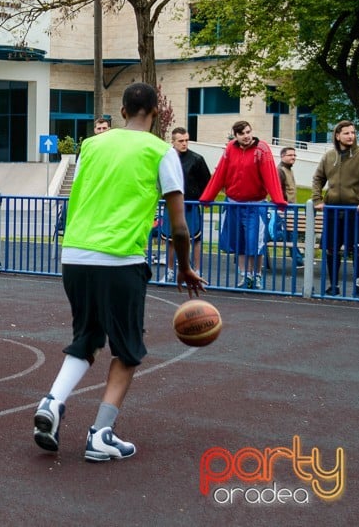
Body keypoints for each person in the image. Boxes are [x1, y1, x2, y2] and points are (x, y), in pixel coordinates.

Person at [32, 82, 205, 462]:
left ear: (122, 112)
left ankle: (53, 402)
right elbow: (178, 226)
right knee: (127, 351)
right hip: (120, 257)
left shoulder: (92, 145)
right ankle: (100, 434)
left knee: (87, 337)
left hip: (75, 254)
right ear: (157, 114)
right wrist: (186, 267)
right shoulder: (161, 151)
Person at [199, 120, 286, 290]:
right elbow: (220, 173)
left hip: (255, 204)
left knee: (256, 243)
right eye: (242, 134)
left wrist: (278, 199)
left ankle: (257, 275)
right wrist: (208, 197)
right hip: (234, 204)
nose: (246, 136)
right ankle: (245, 275)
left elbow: (270, 174)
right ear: (236, 136)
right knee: (238, 242)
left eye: (248, 132)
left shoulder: (262, 149)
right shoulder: (230, 148)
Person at [311, 120, 359, 297]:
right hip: (333, 210)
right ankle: (333, 285)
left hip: (355, 211)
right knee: (331, 248)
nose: (351, 136)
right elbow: (318, 178)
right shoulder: (329, 156)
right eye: (347, 133)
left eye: (353, 132)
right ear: (337, 135)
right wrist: (317, 199)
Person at [162, 127, 211, 282]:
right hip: (170, 204)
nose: (184, 144)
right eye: (180, 141)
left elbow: (207, 182)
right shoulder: (165, 158)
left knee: (195, 239)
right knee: (170, 239)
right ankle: (169, 271)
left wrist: (203, 199)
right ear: (173, 141)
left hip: (190, 205)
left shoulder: (197, 159)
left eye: (186, 140)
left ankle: (196, 270)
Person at [277, 147, 304, 269]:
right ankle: (298, 260)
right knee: (290, 234)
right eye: (290, 155)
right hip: (286, 207)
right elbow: (280, 190)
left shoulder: (289, 170)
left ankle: (298, 259)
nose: (293, 157)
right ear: (282, 156)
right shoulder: (281, 170)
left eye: (294, 155)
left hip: (291, 207)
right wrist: (283, 206)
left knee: (290, 234)